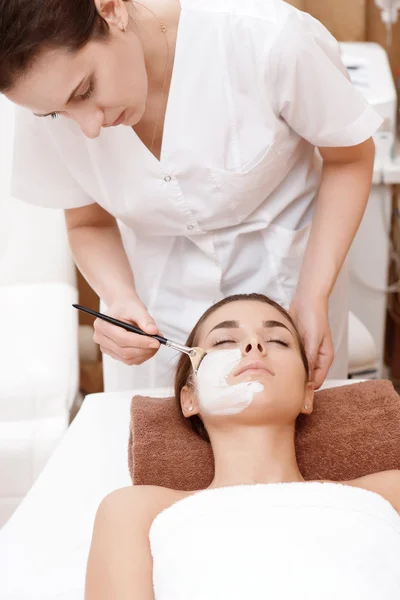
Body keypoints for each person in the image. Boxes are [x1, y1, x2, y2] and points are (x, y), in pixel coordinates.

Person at [1, 0, 381, 391]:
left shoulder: (265, 37)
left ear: (111, 10)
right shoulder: (44, 99)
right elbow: (87, 221)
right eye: (57, 114)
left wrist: (313, 294)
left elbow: (349, 158)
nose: (89, 127)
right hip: (158, 320)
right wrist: (119, 297)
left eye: (86, 89)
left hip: (286, 296)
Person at [85, 293, 400, 599]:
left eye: (278, 341)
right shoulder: (135, 512)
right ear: (188, 399)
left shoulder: (388, 492)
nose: (254, 346)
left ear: (308, 395)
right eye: (224, 342)